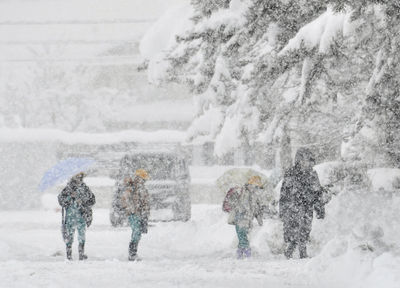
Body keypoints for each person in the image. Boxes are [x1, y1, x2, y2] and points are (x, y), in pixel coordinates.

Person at [279, 147, 325, 259]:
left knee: (305, 229)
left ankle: (297, 251)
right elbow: (284, 193)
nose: (310, 164)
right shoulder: (291, 173)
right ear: (299, 160)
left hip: (307, 207)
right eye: (307, 160)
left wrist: (320, 209)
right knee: (293, 230)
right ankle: (294, 251)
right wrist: (282, 209)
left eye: (311, 161)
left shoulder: (313, 175)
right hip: (293, 207)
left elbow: (317, 192)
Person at [223, 176, 264, 259]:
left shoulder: (255, 196)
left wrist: (260, 220)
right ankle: (245, 254)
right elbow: (233, 201)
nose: (256, 189)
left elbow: (257, 209)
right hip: (240, 217)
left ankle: (242, 253)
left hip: (248, 219)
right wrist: (238, 207)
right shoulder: (242, 191)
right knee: (242, 236)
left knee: (243, 236)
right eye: (255, 186)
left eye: (257, 187)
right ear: (250, 184)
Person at [58, 172, 96, 260]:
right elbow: (61, 200)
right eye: (77, 176)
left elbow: (92, 200)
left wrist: (82, 200)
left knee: (81, 235)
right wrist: (70, 197)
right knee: (69, 236)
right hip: (70, 216)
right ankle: (69, 254)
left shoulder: (85, 188)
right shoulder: (67, 188)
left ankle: (81, 254)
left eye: (80, 176)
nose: (79, 178)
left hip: (81, 215)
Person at [121, 169, 150, 261]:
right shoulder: (131, 187)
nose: (143, 181)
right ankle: (132, 253)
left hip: (140, 214)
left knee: (138, 233)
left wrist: (145, 214)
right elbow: (125, 200)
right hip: (133, 214)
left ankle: (133, 252)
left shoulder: (143, 189)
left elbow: (146, 202)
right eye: (142, 179)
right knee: (136, 232)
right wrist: (132, 210)